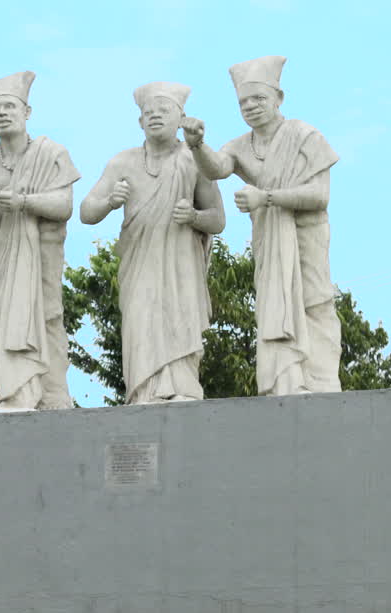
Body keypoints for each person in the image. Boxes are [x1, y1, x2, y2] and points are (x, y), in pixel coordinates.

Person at [183, 55, 341, 395]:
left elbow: (319, 195)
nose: (251, 107)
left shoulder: (304, 136)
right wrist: (196, 144)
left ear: (278, 98)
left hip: (306, 236)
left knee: (312, 301)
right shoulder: (241, 145)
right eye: (243, 102)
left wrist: (266, 198)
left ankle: (321, 380)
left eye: (259, 99)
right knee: (274, 304)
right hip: (270, 241)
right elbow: (217, 168)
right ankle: (285, 380)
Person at [80, 82, 225, 404]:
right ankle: (143, 391)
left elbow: (218, 218)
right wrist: (109, 202)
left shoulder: (194, 159)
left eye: (164, 111)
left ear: (181, 117)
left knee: (180, 318)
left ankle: (183, 388)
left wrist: (194, 218)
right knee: (141, 320)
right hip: (139, 261)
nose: (155, 117)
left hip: (181, 261)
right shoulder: (123, 162)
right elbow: (86, 213)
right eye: (149, 113)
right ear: (140, 122)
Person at [0, 71, 80, 410]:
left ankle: (54, 395)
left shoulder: (52, 153)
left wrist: (23, 202)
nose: (2, 113)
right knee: (8, 321)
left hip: (43, 252)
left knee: (48, 318)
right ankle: (16, 394)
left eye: (9, 106)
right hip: (7, 255)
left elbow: (64, 206)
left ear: (26, 112)